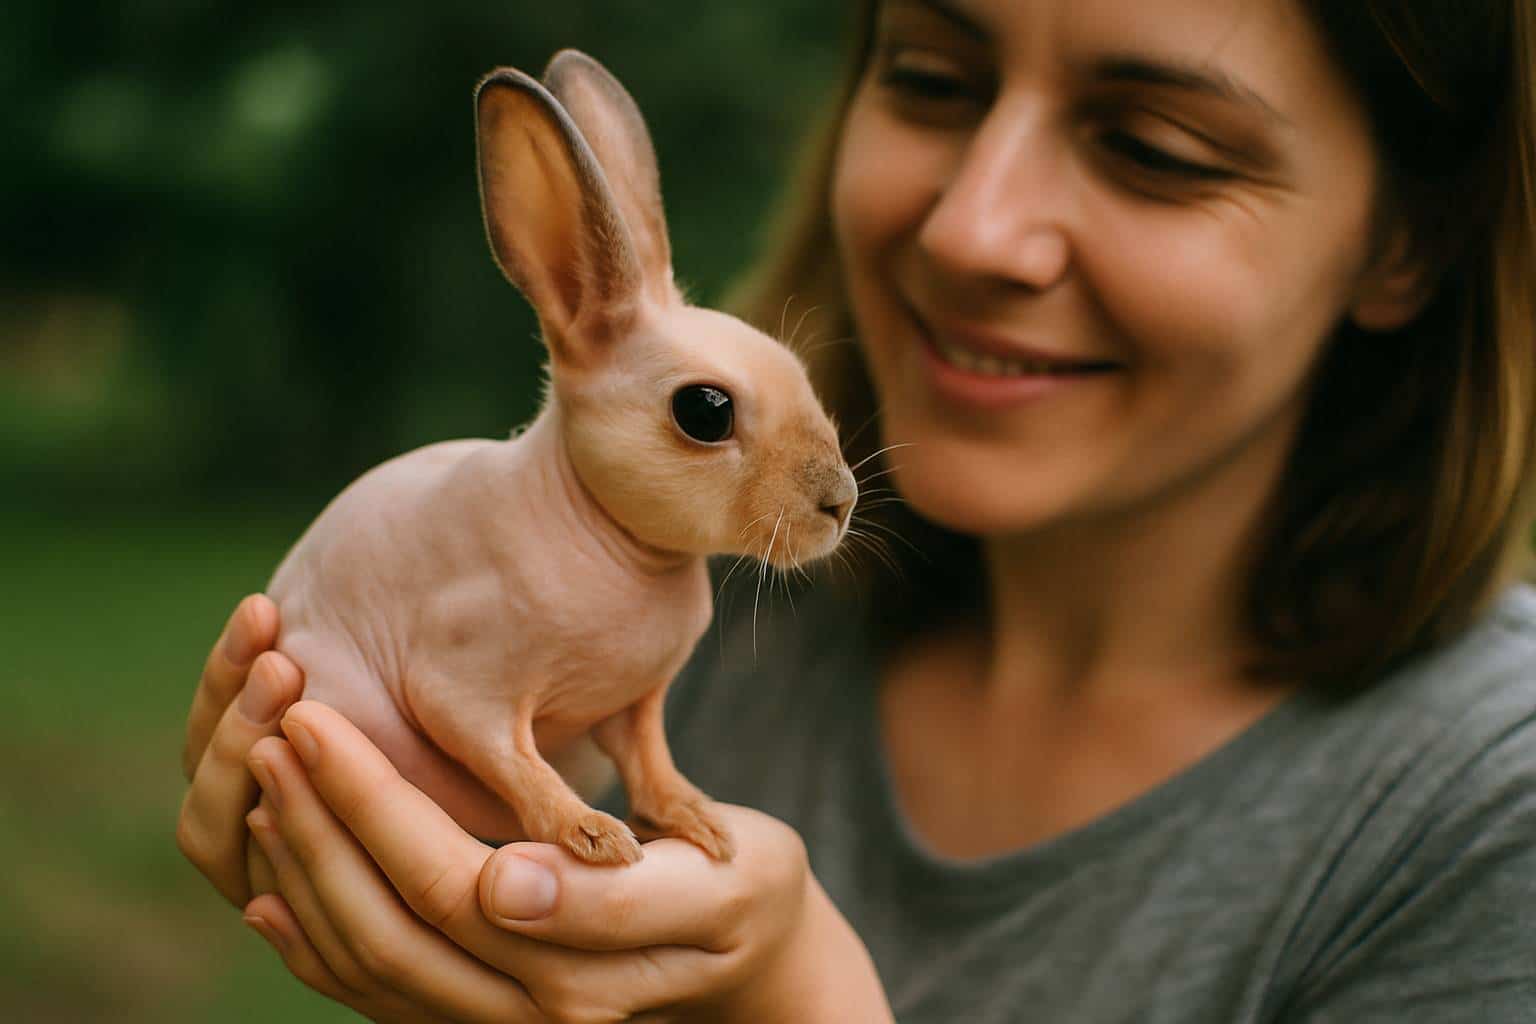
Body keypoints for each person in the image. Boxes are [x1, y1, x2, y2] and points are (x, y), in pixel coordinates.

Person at [176, 0, 1536, 1019]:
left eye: (1156, 147)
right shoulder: (732, 612)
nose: (967, 231)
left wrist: (797, 1004)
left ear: (1405, 238)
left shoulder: (1483, 822)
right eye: (934, 78)